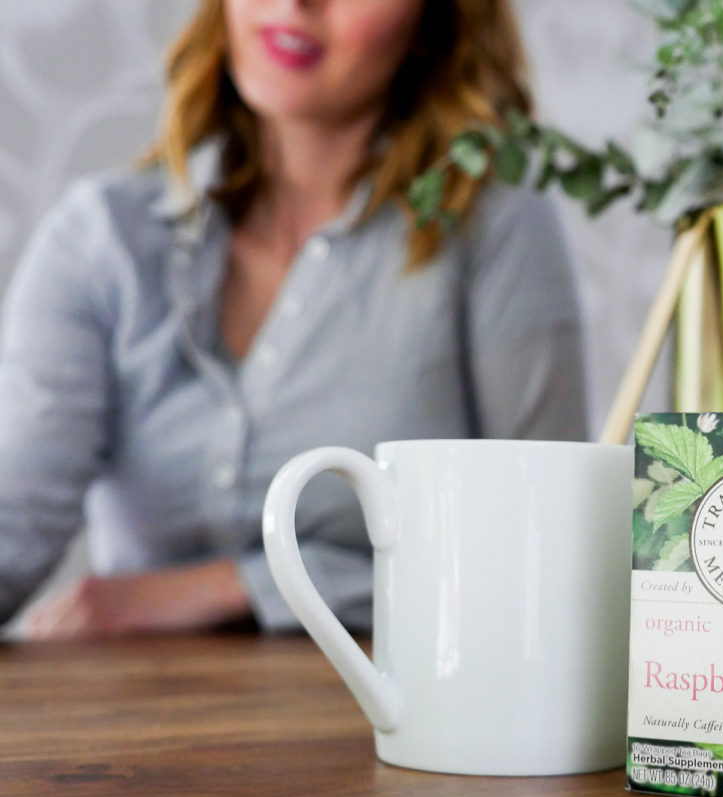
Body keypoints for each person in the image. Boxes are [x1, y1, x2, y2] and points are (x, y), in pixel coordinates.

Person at [0, 0, 589, 639]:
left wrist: (234, 586)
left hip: (387, 716)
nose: (296, 3)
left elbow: (543, 548)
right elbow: (15, 517)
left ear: (436, 22)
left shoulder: (495, 224)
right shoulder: (99, 237)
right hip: (134, 721)